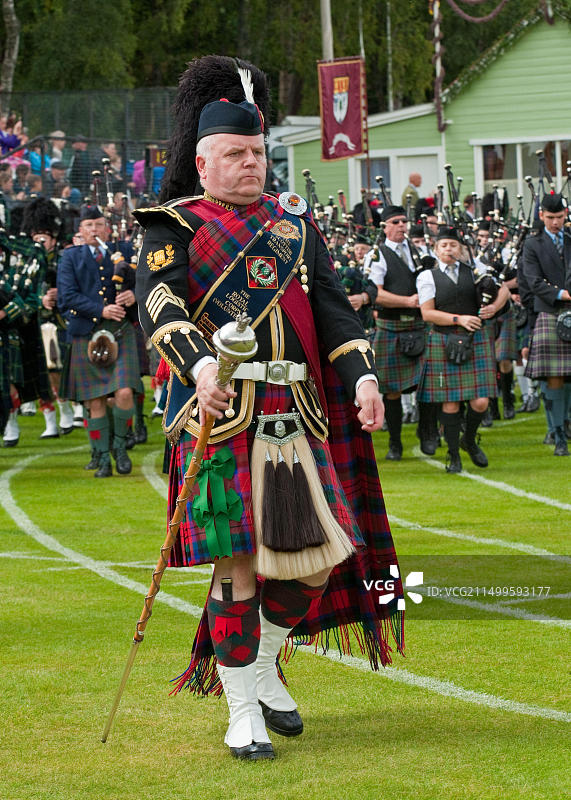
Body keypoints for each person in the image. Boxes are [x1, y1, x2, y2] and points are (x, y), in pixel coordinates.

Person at [134, 55, 404, 762]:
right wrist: (200, 367)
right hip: (221, 414)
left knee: (315, 562)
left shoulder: (294, 225)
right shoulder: (170, 225)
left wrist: (363, 378)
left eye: (256, 152)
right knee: (237, 568)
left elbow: (334, 311)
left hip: (297, 412)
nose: (251, 164)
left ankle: (260, 663)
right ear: (202, 161)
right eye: (235, 154)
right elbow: (160, 307)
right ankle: (241, 713)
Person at [416, 227, 510, 473]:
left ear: (461, 249)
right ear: (436, 250)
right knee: (450, 403)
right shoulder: (427, 277)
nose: (449, 249)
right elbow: (427, 313)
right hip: (444, 338)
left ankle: (468, 439)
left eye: (453, 245)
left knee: (480, 402)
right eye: (444, 245)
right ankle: (454, 454)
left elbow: (504, 290)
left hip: (476, 339)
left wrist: (494, 307)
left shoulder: (475, 268)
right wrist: (459, 319)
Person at [57, 206, 139, 476]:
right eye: (89, 225)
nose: (94, 230)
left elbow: (149, 279)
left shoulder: (124, 250)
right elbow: (66, 296)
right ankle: (103, 457)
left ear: (107, 228)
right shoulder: (71, 257)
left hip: (121, 330)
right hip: (87, 331)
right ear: (81, 231)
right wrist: (100, 310)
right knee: (95, 401)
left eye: (99, 224)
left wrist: (135, 293)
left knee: (125, 392)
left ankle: (120, 448)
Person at [368, 205, 438, 460]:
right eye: (395, 222)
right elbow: (375, 293)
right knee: (392, 390)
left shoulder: (420, 251)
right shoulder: (377, 254)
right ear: (385, 227)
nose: (401, 226)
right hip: (392, 327)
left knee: (428, 384)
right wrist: (407, 301)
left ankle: (427, 432)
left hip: (420, 325)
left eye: (404, 221)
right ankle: (395, 443)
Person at [522, 193, 571, 456]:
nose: (555, 222)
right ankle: (558, 434)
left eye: (559, 217)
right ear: (541, 215)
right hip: (551, 311)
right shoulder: (532, 244)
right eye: (550, 218)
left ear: (566, 214)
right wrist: (563, 294)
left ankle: (566, 425)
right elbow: (533, 281)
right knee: (554, 377)